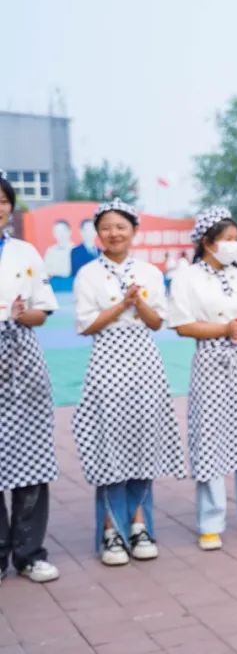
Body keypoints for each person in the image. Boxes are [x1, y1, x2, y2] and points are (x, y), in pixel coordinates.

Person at [72, 199, 185, 566]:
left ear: (134, 231)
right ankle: (110, 531)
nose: (113, 233)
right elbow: (86, 325)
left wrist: (139, 303)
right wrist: (121, 306)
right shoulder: (88, 274)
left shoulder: (150, 272)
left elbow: (156, 323)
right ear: (97, 233)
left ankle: (139, 525)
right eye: (106, 227)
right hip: (107, 361)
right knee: (109, 442)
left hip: (144, 362)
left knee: (143, 439)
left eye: (121, 226)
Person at [168, 206, 237, 551]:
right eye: (226, 240)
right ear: (207, 241)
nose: (233, 246)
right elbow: (183, 325)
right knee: (210, 437)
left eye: (236, 239)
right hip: (210, 360)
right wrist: (224, 328)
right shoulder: (188, 276)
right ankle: (210, 521)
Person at [0, 174, 61, 584]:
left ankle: (29, 553)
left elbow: (43, 310)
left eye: (2, 200)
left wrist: (24, 314)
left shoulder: (25, 253)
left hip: (22, 360)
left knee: (31, 456)